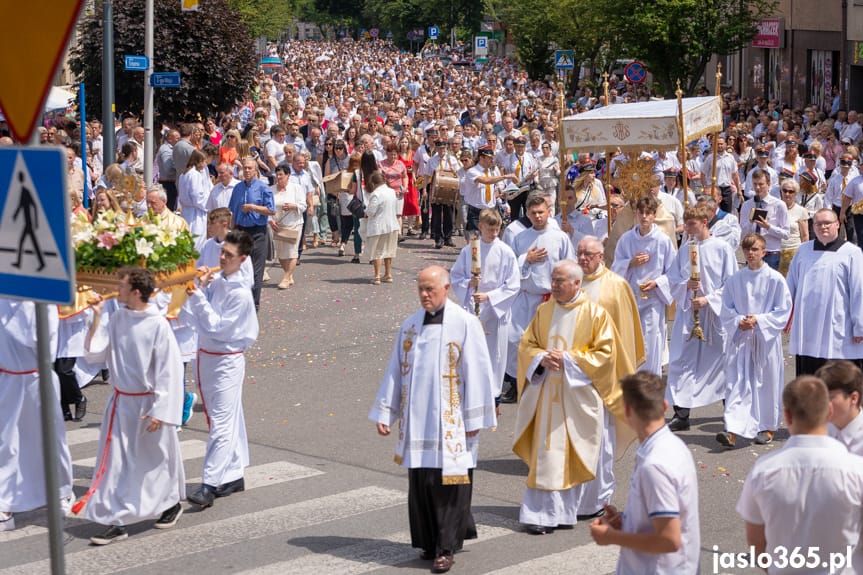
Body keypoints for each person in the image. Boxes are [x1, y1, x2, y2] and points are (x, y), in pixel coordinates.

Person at [369, 265, 497, 573]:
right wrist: (387, 412)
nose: (425, 295)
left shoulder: (464, 322)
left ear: (446, 288)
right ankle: (429, 541)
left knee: (450, 481)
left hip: (451, 419)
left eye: (431, 289)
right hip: (417, 420)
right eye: (421, 289)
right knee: (423, 482)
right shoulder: (410, 325)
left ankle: (445, 548)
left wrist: (475, 416)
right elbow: (394, 371)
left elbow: (479, 370)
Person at [512, 260, 632, 534]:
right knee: (548, 455)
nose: (554, 285)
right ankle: (542, 515)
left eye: (560, 281)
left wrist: (568, 360)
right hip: (547, 396)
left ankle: (570, 510)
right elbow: (527, 345)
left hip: (578, 397)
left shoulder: (595, 315)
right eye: (553, 280)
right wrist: (541, 358)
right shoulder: (544, 311)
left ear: (577, 283)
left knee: (573, 453)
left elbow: (605, 355)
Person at [78, 267, 185, 544]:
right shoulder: (118, 318)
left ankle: (170, 503)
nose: (117, 289)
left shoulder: (158, 325)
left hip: (147, 404)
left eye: (122, 286)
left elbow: (169, 371)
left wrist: (161, 411)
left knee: (154, 461)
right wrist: (97, 316)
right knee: (116, 463)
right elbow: (97, 354)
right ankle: (117, 520)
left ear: (137, 292)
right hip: (121, 402)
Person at [736, 375, 863, 574]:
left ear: (787, 416)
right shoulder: (856, 470)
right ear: (829, 411)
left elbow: (756, 542)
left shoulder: (763, 471)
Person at [589, 371, 700, 575]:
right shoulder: (674, 446)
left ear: (628, 411)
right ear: (664, 406)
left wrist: (610, 537)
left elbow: (669, 539)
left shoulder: (654, 465)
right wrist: (627, 520)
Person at [183, 231, 259, 509]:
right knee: (225, 417)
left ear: (242, 259)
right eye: (222, 252)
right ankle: (235, 472)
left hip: (226, 360)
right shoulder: (218, 282)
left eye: (229, 255)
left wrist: (197, 295)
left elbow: (216, 326)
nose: (222, 257)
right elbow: (195, 319)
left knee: (222, 423)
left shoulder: (240, 293)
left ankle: (208, 484)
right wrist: (199, 287)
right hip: (207, 356)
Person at [0, 299, 74, 532]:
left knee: (49, 437)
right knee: (6, 442)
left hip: (36, 377)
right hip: (7, 378)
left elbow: (40, 338)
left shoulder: (41, 301)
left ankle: (61, 492)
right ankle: (5, 504)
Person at [664, 204, 738, 431]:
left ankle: (731, 414)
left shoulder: (722, 248)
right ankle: (681, 413)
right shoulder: (686, 249)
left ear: (704, 223)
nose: (687, 229)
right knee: (680, 362)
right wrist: (686, 286)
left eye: (691, 224)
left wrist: (709, 299)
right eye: (686, 224)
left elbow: (732, 284)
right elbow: (672, 278)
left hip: (713, 316)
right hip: (688, 313)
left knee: (722, 363)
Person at [717, 233, 792, 447]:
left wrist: (758, 320)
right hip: (741, 339)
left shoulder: (775, 279)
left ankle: (766, 426)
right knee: (737, 383)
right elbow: (726, 308)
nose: (751, 253)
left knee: (766, 384)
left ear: (764, 252)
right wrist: (739, 320)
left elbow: (783, 309)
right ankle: (732, 429)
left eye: (755, 249)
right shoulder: (735, 280)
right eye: (747, 249)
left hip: (764, 341)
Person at [503, 193, 575, 403]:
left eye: (541, 212)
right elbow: (510, 268)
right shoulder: (521, 238)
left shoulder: (559, 237)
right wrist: (527, 258)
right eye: (533, 213)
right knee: (515, 338)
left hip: (549, 298)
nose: (537, 216)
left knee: (549, 343)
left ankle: (549, 384)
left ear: (548, 212)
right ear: (528, 213)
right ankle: (518, 383)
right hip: (525, 296)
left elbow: (569, 264)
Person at [450, 208, 520, 407]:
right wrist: (468, 284)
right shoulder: (470, 250)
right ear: (480, 227)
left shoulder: (505, 252)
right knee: (473, 351)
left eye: (497, 229)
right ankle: (473, 390)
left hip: (496, 310)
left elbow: (513, 284)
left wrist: (490, 296)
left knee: (495, 354)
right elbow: (456, 276)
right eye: (490, 229)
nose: (494, 233)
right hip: (474, 308)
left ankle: (493, 394)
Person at [787, 208, 863, 375]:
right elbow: (789, 286)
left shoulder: (852, 253)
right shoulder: (803, 251)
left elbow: (859, 291)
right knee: (809, 382)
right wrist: (784, 315)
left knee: (839, 381)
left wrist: (860, 326)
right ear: (813, 226)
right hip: (807, 327)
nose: (823, 227)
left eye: (827, 223)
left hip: (839, 327)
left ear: (837, 224)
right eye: (818, 223)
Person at [611, 195, 677, 376]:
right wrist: (630, 263)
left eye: (649, 213)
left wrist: (657, 282)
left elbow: (673, 272)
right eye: (641, 213)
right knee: (630, 339)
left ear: (654, 215)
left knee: (651, 340)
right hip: (631, 298)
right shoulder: (626, 239)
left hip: (654, 299)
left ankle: (649, 379)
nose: (645, 217)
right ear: (636, 215)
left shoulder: (662, 241)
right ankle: (631, 378)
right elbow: (615, 267)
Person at [228, 158, 275, 311]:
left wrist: (254, 207)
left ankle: (254, 303)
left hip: (258, 232)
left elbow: (271, 210)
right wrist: (231, 231)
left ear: (255, 170)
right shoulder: (237, 188)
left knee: (256, 269)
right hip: (241, 231)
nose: (247, 171)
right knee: (239, 268)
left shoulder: (263, 188)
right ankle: (241, 300)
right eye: (245, 168)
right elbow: (233, 212)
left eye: (250, 168)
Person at [738, 168, 790, 271]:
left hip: (771, 253)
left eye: (761, 184)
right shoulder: (747, 205)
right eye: (755, 184)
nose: (757, 188)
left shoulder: (779, 205)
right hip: (752, 253)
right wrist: (750, 222)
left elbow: (786, 234)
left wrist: (768, 227)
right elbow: (742, 234)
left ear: (769, 184)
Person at [268, 164, 306, 289]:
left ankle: (286, 277)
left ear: (288, 175)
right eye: (277, 175)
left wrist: (293, 206)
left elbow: (303, 205)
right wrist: (270, 220)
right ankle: (289, 275)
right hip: (278, 225)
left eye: (281, 175)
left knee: (292, 252)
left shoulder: (296, 188)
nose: (278, 177)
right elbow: (267, 208)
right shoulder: (271, 190)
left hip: (294, 224)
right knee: (281, 254)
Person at [818, 360, 863, 455]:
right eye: (821, 397)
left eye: (831, 398)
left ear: (854, 398)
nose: (824, 404)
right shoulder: (817, 433)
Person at [364, 172, 400, 284]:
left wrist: (365, 211)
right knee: (389, 251)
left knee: (377, 252)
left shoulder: (376, 194)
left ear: (374, 183)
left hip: (379, 227)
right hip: (392, 225)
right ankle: (388, 274)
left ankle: (377, 276)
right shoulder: (391, 191)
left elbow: (371, 212)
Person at [778, 178, 809, 276]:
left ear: (796, 193)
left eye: (791, 191)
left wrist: (805, 253)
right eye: (785, 190)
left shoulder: (801, 211)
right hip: (775, 251)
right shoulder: (774, 207)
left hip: (793, 251)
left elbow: (805, 235)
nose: (787, 194)